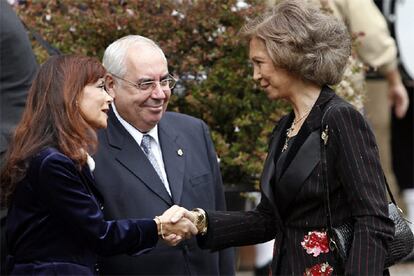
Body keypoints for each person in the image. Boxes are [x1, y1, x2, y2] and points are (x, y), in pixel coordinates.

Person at [171, 1, 395, 274]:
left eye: (259, 63)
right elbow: (269, 219)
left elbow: (373, 221)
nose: (255, 76)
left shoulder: (341, 119)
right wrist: (201, 221)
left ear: (288, 56)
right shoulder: (285, 128)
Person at [0, 55, 197, 275]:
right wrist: (159, 226)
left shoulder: (55, 157)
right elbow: (100, 234)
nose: (109, 97)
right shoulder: (52, 163)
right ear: (72, 95)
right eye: (101, 87)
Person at [92, 35, 235, 275]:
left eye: (165, 81)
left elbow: (220, 222)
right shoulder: (90, 148)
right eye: (145, 84)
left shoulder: (194, 131)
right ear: (111, 85)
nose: (160, 94)